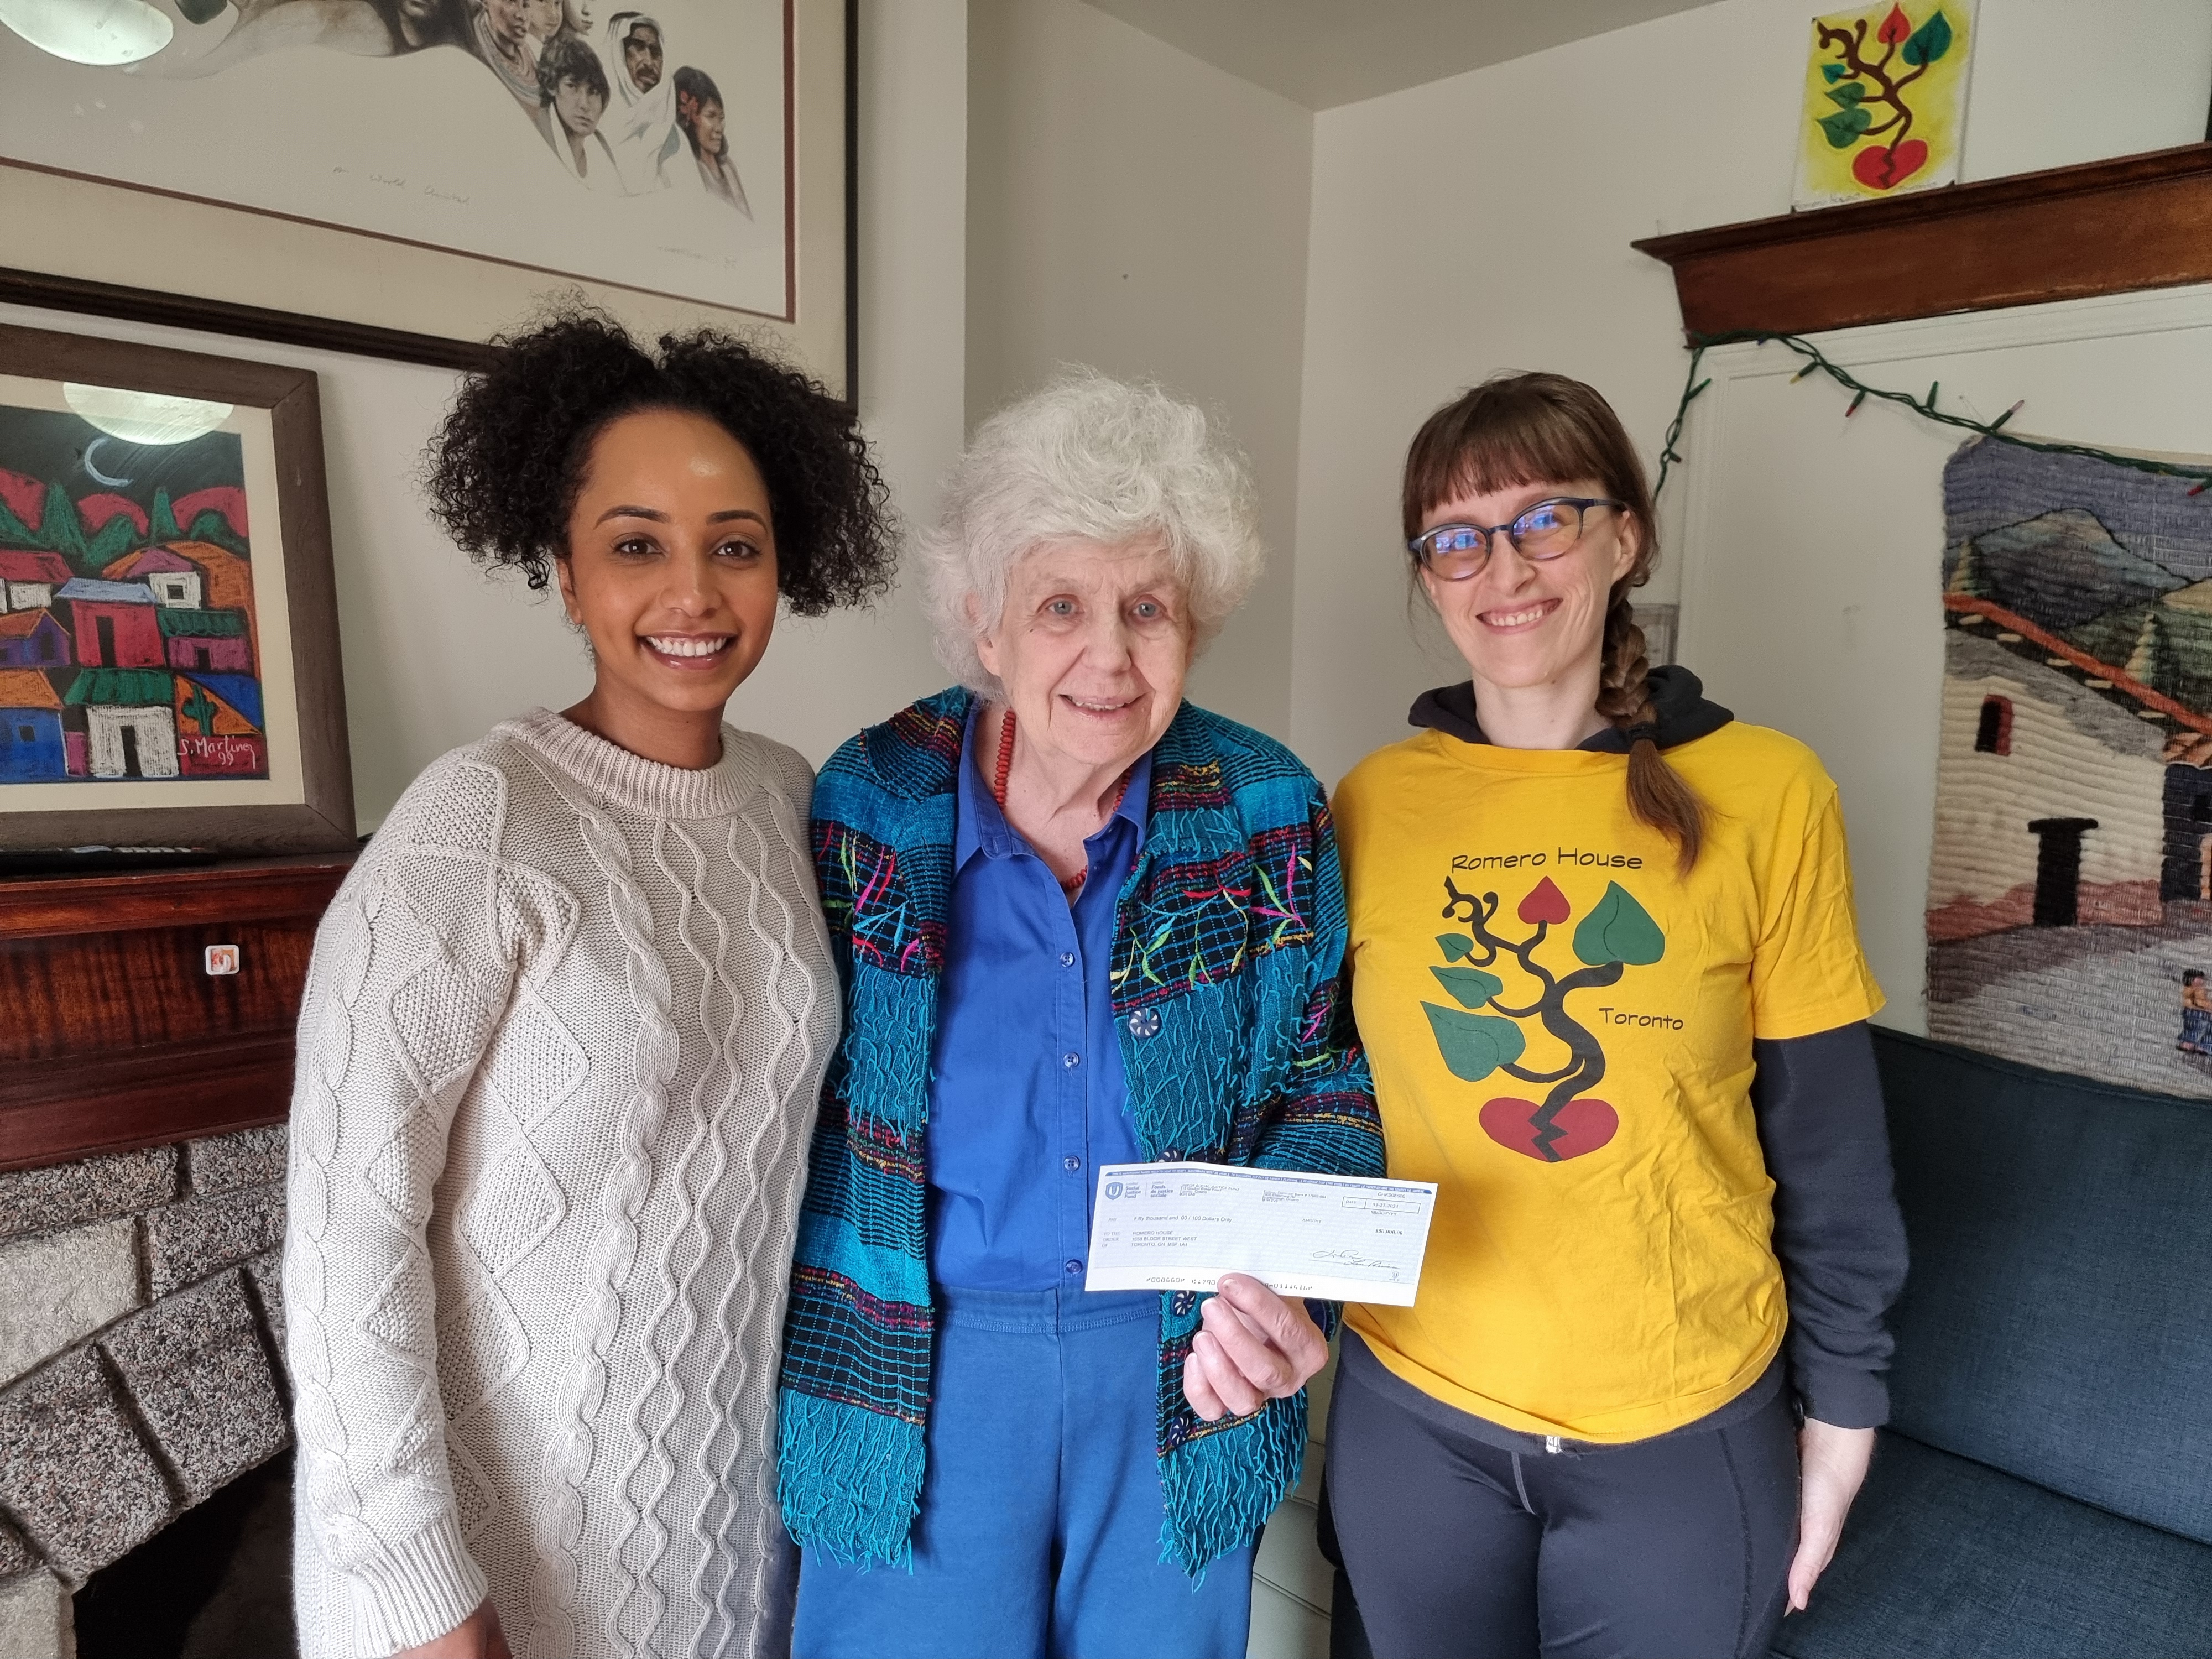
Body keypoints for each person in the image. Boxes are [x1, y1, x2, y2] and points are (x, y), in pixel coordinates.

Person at [281, 312, 896, 1659]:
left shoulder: (795, 798)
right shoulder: (477, 823)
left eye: (733, 545)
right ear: (561, 572)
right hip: (483, 1572)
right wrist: (417, 1592)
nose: (692, 593)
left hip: (720, 1543)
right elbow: (346, 1236)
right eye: (635, 545)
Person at [777, 372, 1385, 1659]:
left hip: (1171, 1365)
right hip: (914, 1358)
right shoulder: (868, 804)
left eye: (1146, 608)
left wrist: (1285, 1300)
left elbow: (1324, 1087)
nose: (1109, 653)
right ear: (983, 625)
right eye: (1060, 604)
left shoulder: (1264, 809)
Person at [1325, 371, 1907, 1659]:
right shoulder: (1367, 806)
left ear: (1624, 536)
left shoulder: (1767, 791)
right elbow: (1320, 1102)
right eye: (1456, 537)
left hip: (1681, 1421)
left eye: (1545, 517)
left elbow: (1827, 1138)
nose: (1503, 568)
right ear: (1428, 574)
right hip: (1415, 1408)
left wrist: (1844, 1411)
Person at [600, 11, 682, 192]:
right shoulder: (593, 123)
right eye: (638, 48)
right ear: (617, 53)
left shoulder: (673, 136)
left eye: (655, 52)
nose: (649, 63)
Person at [533, 32, 619, 190]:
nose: (584, 105)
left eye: (593, 91)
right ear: (552, 86)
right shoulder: (536, 141)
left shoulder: (601, 147)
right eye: (572, 86)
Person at [671, 66, 751, 217]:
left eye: (721, 118)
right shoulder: (686, 171)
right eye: (710, 116)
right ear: (690, 119)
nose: (719, 128)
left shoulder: (728, 167)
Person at [469, 0, 540, 109]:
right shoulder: (469, 59)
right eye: (510, 1)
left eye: (526, 4)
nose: (522, 16)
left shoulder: (537, 53)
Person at [2179, 969, 2211, 1053]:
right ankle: (2189, 1043)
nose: (2201, 981)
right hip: (2196, 1012)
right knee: (2195, 1028)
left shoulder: (2195, 989)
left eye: (2201, 979)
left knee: (2194, 1028)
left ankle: (2197, 1045)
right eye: (2198, 979)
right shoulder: (2196, 990)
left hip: (2195, 1011)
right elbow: (2198, 1002)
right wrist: (2209, 1007)